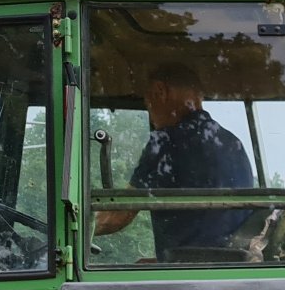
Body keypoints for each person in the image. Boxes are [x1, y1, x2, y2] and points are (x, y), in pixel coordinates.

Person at [95, 62, 255, 260]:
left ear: (159, 91)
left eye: (147, 105)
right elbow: (212, 231)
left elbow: (116, 216)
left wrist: (74, 229)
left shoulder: (168, 141)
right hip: (223, 266)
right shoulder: (232, 142)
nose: (152, 117)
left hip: (193, 274)